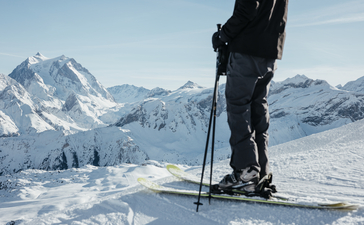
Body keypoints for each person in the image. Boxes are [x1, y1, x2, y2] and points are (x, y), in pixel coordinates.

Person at [212, 0, 289, 192]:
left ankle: (246, 172)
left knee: (239, 108)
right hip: (271, 52)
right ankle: (261, 172)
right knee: (258, 109)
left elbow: (248, 9)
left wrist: (222, 35)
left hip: (247, 50)